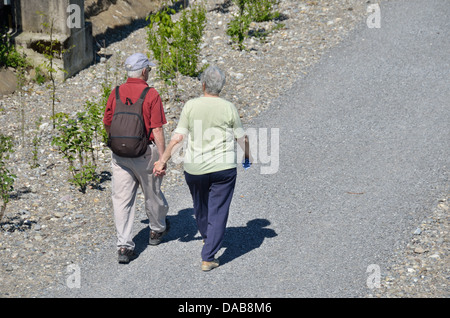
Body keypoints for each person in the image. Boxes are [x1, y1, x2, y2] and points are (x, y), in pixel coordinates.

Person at [153, 65, 251, 271]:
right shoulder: (229, 107)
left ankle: (209, 238)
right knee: (219, 208)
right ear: (221, 87)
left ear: (203, 84)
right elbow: (241, 137)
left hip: (195, 168)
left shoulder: (191, 106)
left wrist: (163, 160)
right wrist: (248, 156)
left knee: (201, 206)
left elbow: (178, 138)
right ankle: (209, 255)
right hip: (223, 167)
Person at [103, 53, 169, 264]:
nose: (149, 72)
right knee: (152, 192)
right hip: (144, 153)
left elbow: (107, 122)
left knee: (121, 199)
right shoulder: (151, 94)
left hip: (120, 155)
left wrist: (116, 141)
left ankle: (124, 245)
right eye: (148, 69)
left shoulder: (116, 92)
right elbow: (157, 129)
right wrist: (163, 158)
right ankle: (156, 230)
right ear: (143, 71)